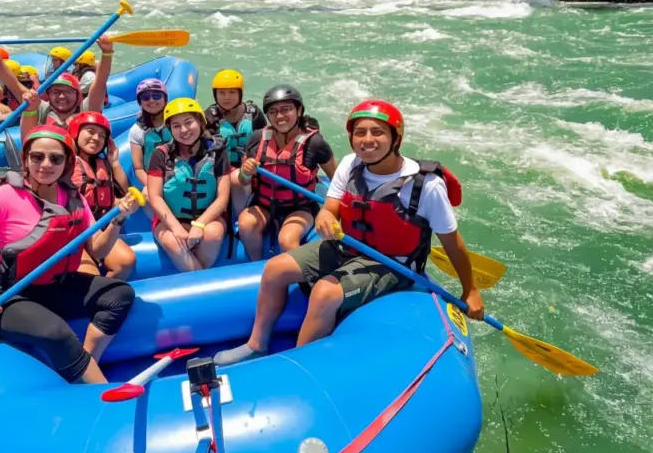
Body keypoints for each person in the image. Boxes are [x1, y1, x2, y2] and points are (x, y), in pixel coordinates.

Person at [215, 99, 484, 365]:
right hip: (347, 246)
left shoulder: (426, 185)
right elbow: (330, 207)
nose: (367, 140)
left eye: (377, 132)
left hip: (391, 263)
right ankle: (257, 345)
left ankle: (296, 366)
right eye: (360, 132)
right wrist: (325, 217)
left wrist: (470, 290)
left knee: (324, 292)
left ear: (396, 138)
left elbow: (452, 242)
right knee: (275, 269)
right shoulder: (350, 164)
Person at [0, 125, 140, 383]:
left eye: (55, 158)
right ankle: (99, 392)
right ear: (25, 159)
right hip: (7, 293)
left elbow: (97, 250)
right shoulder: (2, 198)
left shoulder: (73, 198)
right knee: (56, 332)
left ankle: (87, 362)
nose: (46, 164)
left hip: (54, 285)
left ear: (67, 163)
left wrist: (118, 220)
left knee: (120, 293)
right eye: (37, 156)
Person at [236, 85, 338, 260]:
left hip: (301, 207)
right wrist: (245, 172)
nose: (280, 116)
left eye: (286, 109)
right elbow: (243, 181)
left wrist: (331, 213)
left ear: (299, 111)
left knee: (287, 239)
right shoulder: (257, 138)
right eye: (273, 111)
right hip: (263, 205)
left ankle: (295, 272)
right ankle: (257, 265)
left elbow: (337, 180)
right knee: (246, 223)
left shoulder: (314, 144)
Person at [147, 98, 231, 272]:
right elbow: (154, 196)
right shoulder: (160, 154)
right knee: (173, 241)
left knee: (214, 234)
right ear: (170, 129)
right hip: (171, 220)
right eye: (176, 126)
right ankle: (202, 279)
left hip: (208, 218)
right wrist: (176, 228)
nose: (184, 130)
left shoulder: (217, 151)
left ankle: (195, 278)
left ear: (200, 122)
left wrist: (200, 225)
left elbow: (223, 197)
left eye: (188, 122)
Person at [68, 111, 136, 279]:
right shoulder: (65, 163)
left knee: (125, 262)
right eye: (90, 132)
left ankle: (107, 289)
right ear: (75, 132)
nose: (96, 138)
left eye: (102, 136)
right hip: (73, 233)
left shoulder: (103, 164)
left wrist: (114, 163)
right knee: (89, 276)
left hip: (100, 229)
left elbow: (119, 195)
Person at [19, 38, 113, 140]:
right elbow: (15, 86)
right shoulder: (43, 108)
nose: (61, 96)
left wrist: (107, 53)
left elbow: (100, 81)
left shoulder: (86, 108)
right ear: (49, 94)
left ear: (77, 94)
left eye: (68, 91)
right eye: (56, 91)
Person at [204, 69, 266, 215]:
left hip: (251, 168)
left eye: (232, 92)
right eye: (221, 93)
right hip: (221, 170)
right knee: (233, 178)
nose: (227, 98)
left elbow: (270, 137)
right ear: (215, 94)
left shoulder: (254, 114)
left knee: (238, 178)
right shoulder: (209, 118)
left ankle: (241, 213)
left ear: (240, 93)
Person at [129, 78, 172, 187]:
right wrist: (153, 188)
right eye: (145, 97)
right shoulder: (137, 130)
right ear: (140, 102)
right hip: (152, 181)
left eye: (157, 96)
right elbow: (138, 169)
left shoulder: (175, 123)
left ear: (165, 99)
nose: (151, 100)